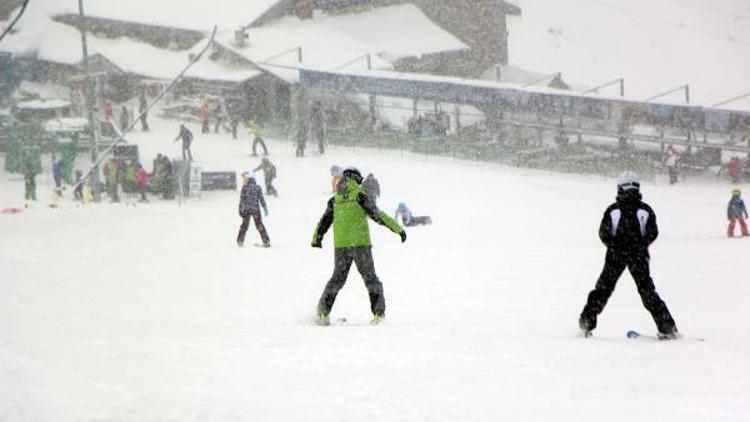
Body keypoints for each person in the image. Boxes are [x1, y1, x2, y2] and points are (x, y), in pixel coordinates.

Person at [578, 172, 678, 339]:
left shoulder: (614, 210)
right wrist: (639, 245)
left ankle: (586, 323)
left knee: (603, 288)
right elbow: (652, 233)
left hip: (616, 255)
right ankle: (667, 327)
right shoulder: (644, 210)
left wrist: (615, 246)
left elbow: (604, 233)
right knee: (647, 291)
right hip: (638, 256)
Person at [311, 168, 407, 326]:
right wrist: (398, 229)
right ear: (354, 179)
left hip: (341, 246)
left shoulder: (335, 200)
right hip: (361, 245)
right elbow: (377, 215)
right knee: (371, 279)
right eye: (359, 180)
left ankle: (323, 312)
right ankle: (378, 313)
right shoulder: (359, 196)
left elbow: (324, 222)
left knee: (337, 279)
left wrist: (317, 238)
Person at [237, 173, 270, 247]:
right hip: (255, 210)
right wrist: (265, 208)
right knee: (259, 225)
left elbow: (242, 200)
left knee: (244, 226)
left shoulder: (244, 188)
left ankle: (240, 241)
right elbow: (261, 199)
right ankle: (266, 241)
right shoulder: (257, 187)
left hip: (246, 210)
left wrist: (240, 209)